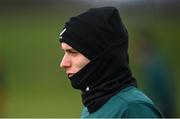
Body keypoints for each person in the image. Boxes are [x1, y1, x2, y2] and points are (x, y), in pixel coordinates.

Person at [58, 7, 163, 118]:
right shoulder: (92, 105)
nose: (63, 63)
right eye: (65, 52)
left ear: (100, 56)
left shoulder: (134, 108)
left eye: (73, 52)